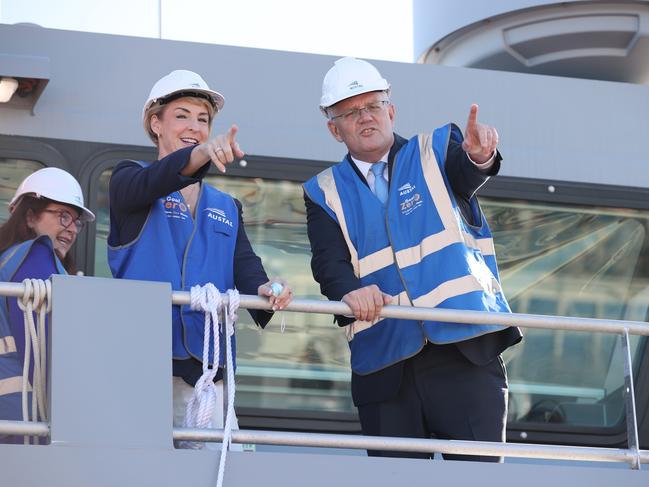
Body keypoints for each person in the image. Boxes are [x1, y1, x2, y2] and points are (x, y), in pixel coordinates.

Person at [303, 57, 522, 462]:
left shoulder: (436, 150)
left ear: (391, 110)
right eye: (350, 112)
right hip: (386, 367)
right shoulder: (323, 191)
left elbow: (468, 172)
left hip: (463, 352)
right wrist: (351, 292)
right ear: (334, 129)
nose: (365, 118)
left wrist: (479, 158)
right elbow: (328, 263)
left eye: (372, 106)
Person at [107, 70, 292, 443]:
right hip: (142, 367)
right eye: (182, 115)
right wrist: (198, 155)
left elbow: (246, 268)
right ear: (155, 123)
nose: (195, 126)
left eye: (203, 119)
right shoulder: (128, 181)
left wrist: (270, 289)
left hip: (210, 375)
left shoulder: (227, 207)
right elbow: (157, 180)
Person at [0, 167, 95, 442]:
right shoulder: (37, 255)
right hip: (27, 422)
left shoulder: (8, 261)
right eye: (63, 216)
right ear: (30, 216)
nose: (71, 229)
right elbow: (46, 348)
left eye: (76, 221)